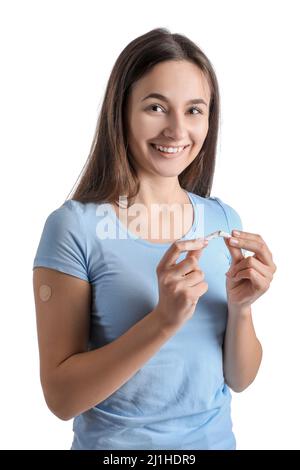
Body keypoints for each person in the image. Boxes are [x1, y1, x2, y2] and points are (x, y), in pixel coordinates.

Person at [32, 28, 277, 450]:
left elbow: (240, 379)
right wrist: (163, 321)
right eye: (156, 107)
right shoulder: (74, 227)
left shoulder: (222, 220)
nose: (177, 129)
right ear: (121, 111)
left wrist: (242, 309)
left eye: (195, 110)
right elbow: (61, 397)